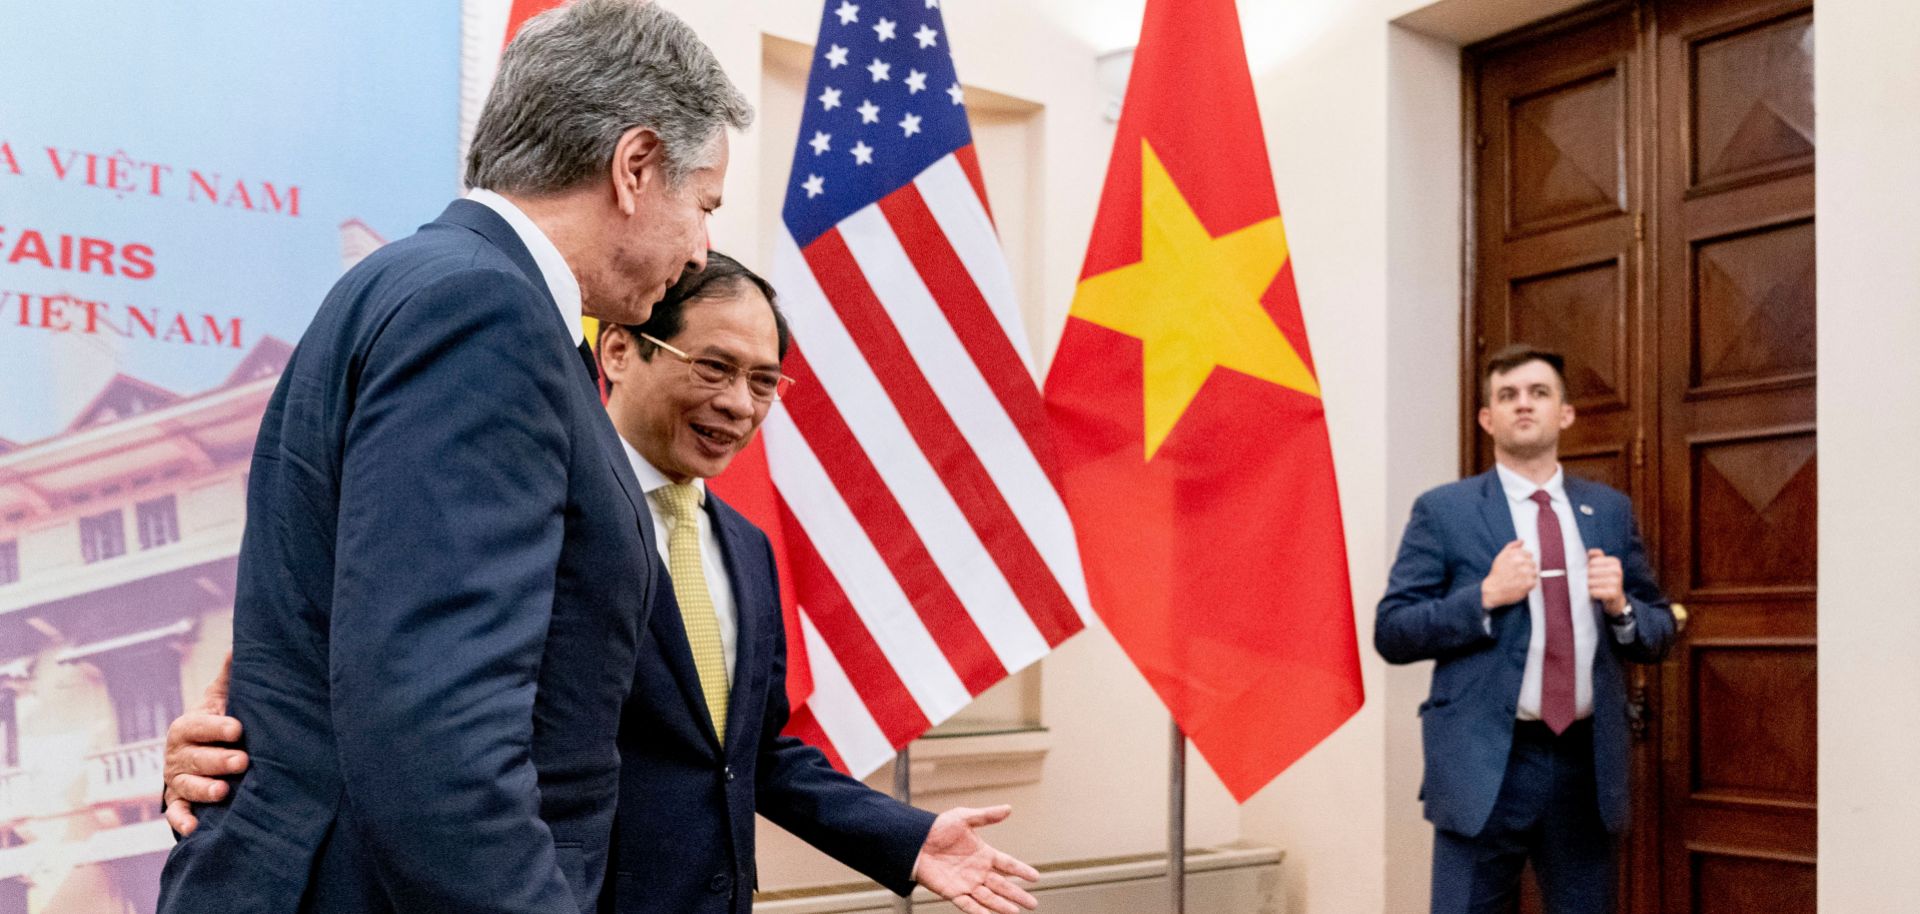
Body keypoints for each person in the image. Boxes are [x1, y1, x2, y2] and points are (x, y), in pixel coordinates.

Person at [164, 253, 1043, 914]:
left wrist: (906, 837)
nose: (740, 403)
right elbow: (399, 700)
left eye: (765, 382)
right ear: (618, 350)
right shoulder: (526, 512)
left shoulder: (743, 546)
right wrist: (219, 766)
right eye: (714, 367)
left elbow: (747, 755)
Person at [154, 3, 752, 913]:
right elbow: (436, 735)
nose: (702, 247)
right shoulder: (484, 313)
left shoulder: (411, 283)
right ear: (634, 167)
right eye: (703, 203)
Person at [1375, 344, 1676, 914]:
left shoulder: (1608, 510)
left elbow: (1659, 629)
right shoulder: (1445, 511)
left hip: (1584, 768)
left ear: (1565, 413)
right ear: (1488, 419)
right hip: (1484, 766)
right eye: (1507, 396)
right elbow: (1393, 631)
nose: (1523, 405)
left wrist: (1621, 609)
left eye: (1539, 393)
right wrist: (1483, 597)